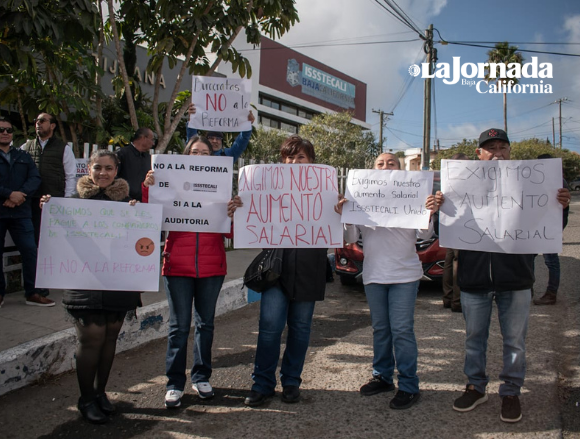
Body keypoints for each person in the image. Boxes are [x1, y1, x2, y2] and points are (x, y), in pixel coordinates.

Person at [450, 128, 571, 423]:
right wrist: (438, 207)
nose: (497, 153)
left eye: (502, 147)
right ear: (479, 154)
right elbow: (447, 232)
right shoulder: (461, 185)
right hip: (475, 278)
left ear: (510, 153)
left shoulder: (528, 182)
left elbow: (550, 224)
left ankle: (511, 391)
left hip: (516, 277)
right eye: (490, 148)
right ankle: (475, 387)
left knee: (515, 340)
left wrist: (561, 206)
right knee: (474, 338)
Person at [40, 150, 141, 424]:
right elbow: (59, 235)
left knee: (110, 338)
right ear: (89, 169)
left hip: (118, 281)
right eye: (98, 168)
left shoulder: (131, 203)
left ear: (116, 169)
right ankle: (85, 399)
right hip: (83, 281)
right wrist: (49, 207)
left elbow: (141, 238)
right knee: (91, 338)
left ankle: (100, 393)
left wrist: (138, 215)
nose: (103, 173)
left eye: (109, 168)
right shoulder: (72, 201)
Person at [335, 152, 443, 410]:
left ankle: (408, 385)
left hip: (405, 274)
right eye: (380, 164)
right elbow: (351, 235)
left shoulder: (412, 193)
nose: (385, 166)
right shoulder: (361, 195)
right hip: (373, 274)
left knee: (402, 330)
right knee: (381, 329)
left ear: (400, 168)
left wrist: (429, 212)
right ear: (372, 169)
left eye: (391, 163)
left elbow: (424, 233)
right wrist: (345, 212)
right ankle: (382, 377)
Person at [142, 136, 242, 409]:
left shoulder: (221, 188)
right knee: (178, 327)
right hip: (177, 266)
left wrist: (233, 213)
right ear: (186, 156)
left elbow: (231, 233)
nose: (199, 155)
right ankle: (174, 383)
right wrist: (148, 188)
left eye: (205, 152)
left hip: (212, 266)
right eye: (194, 151)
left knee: (205, 324)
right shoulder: (168, 183)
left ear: (212, 157)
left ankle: (201, 376)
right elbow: (149, 216)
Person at [244, 135, 330, 407]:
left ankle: (291, 382)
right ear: (282, 160)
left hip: (309, 267)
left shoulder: (326, 192)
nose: (294, 162)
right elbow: (252, 220)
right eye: (289, 157)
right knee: (269, 328)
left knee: (301, 328)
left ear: (312, 161)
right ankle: (262, 384)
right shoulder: (266, 189)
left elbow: (341, 229)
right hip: (276, 270)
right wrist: (240, 208)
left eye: (301, 157)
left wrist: (339, 208)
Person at [0, 118, 53, 307]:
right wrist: (9, 194)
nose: (5, 133)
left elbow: (35, 177)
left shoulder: (22, 155)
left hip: (21, 212)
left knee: (30, 251)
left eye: (8, 130)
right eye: (1, 130)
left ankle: (33, 292)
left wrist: (20, 194)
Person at [21, 113, 77, 245]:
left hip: (54, 200)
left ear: (52, 126)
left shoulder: (64, 148)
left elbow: (70, 176)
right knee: (31, 239)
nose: (38, 123)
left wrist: (67, 200)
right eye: (36, 121)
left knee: (52, 239)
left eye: (42, 121)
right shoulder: (26, 147)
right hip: (30, 200)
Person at [533, 153, 570, 305]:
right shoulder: (535, 181)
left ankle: (551, 293)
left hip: (549, 229)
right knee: (528, 259)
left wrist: (557, 230)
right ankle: (527, 289)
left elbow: (563, 209)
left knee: (551, 261)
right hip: (534, 228)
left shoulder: (559, 183)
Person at [442, 152, 469, 313]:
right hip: (462, 224)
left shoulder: (448, 180)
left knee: (450, 259)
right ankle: (457, 301)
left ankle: (448, 298)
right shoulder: (465, 180)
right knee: (458, 261)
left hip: (449, 223)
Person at [186, 103, 255, 161]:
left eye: (218, 138)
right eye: (211, 138)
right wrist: (192, 119)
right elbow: (192, 139)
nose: (215, 141)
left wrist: (247, 124)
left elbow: (242, 141)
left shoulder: (228, 155)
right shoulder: (198, 154)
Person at [116, 127, 156, 201]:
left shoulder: (149, 158)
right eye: (152, 139)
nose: (153, 143)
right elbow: (114, 177)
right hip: (123, 202)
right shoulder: (122, 154)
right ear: (143, 138)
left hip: (143, 202)